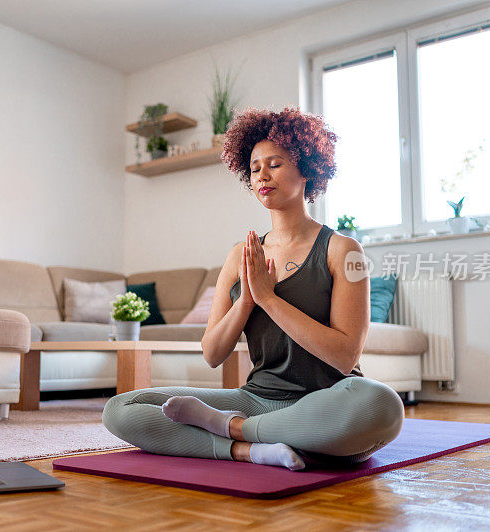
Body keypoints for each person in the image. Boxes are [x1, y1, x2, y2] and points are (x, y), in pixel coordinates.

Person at [102, 106, 404, 470]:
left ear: (307, 168)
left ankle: (232, 428)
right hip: (257, 398)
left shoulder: (345, 251)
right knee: (120, 409)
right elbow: (213, 353)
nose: (262, 174)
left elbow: (345, 357)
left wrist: (267, 298)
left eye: (274, 164)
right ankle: (252, 448)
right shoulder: (238, 257)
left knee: (382, 405)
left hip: (329, 401)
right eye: (255, 167)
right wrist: (245, 301)